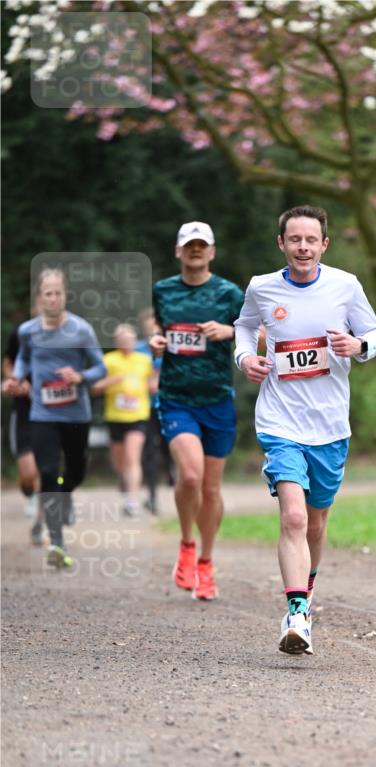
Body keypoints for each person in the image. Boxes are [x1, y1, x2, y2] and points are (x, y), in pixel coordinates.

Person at [234, 205, 376, 654]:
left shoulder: (345, 286)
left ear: (324, 244)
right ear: (281, 243)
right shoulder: (262, 287)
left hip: (330, 424)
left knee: (316, 523)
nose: (302, 247)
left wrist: (358, 345)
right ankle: (297, 612)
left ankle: (307, 588)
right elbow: (243, 328)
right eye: (294, 239)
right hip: (280, 419)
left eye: (310, 240)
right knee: (294, 516)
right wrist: (245, 359)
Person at [150, 221, 244, 600]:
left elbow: (261, 333)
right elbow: (156, 327)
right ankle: (186, 544)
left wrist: (230, 331)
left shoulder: (229, 293)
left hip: (217, 399)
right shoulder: (163, 290)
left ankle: (205, 562)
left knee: (210, 487)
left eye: (202, 245)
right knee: (190, 476)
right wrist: (154, 341)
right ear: (178, 251)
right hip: (177, 398)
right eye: (189, 245)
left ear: (212, 251)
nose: (195, 251)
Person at [3, 268, 106, 568]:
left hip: (76, 413)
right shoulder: (28, 331)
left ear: (65, 295)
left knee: (75, 473)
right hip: (42, 413)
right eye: (47, 293)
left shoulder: (81, 329)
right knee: (47, 471)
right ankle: (57, 541)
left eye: (58, 293)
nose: (53, 298)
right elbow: (23, 359)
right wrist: (16, 378)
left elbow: (100, 368)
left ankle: (65, 494)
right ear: (40, 297)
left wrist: (79, 376)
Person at [92, 323, 155, 516]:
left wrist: (153, 386)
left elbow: (152, 381)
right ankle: (123, 479)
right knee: (119, 460)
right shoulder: (108, 360)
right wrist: (110, 382)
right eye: (122, 340)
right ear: (116, 342)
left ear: (135, 342)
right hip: (115, 416)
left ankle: (132, 500)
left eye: (130, 340)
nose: (126, 343)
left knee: (132, 456)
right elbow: (95, 388)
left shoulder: (144, 360)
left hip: (138, 415)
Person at [2, 327, 44, 545]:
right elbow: (8, 362)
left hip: (51, 415)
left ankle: (40, 523)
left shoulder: (62, 340)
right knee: (28, 473)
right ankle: (30, 492)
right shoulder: (21, 334)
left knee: (46, 469)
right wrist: (12, 381)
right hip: (23, 415)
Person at [136, 307, 174, 515]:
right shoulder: (137, 349)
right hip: (144, 407)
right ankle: (152, 496)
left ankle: (171, 472)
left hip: (170, 404)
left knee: (169, 446)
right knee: (149, 450)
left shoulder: (171, 347)